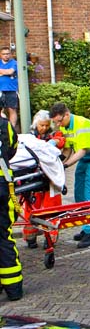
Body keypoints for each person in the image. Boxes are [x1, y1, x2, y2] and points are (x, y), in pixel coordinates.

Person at [49, 102, 90, 248]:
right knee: (79, 193)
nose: (58, 125)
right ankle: (86, 227)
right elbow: (68, 149)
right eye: (56, 122)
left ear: (67, 115)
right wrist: (59, 162)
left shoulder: (82, 124)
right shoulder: (65, 126)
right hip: (85, 159)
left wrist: (66, 165)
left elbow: (82, 151)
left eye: (59, 121)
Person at [20, 110, 65, 248]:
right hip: (33, 176)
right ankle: (30, 237)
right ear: (36, 125)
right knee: (31, 209)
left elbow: (61, 141)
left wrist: (53, 141)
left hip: (49, 177)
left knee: (52, 209)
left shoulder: (53, 135)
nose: (44, 128)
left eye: (46, 125)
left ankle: (50, 239)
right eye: (41, 125)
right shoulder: (29, 137)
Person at [0, 111, 22, 301]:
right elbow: (12, 148)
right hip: (3, 185)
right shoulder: (4, 124)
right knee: (3, 235)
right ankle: (13, 289)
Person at [0, 47, 19, 129]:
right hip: (0, 90)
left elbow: (10, 71)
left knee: (12, 110)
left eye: (7, 54)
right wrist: (5, 72)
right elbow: (7, 72)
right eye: (4, 54)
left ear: (10, 54)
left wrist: (3, 73)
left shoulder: (14, 63)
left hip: (11, 90)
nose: (6, 56)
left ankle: (12, 130)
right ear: (0, 55)